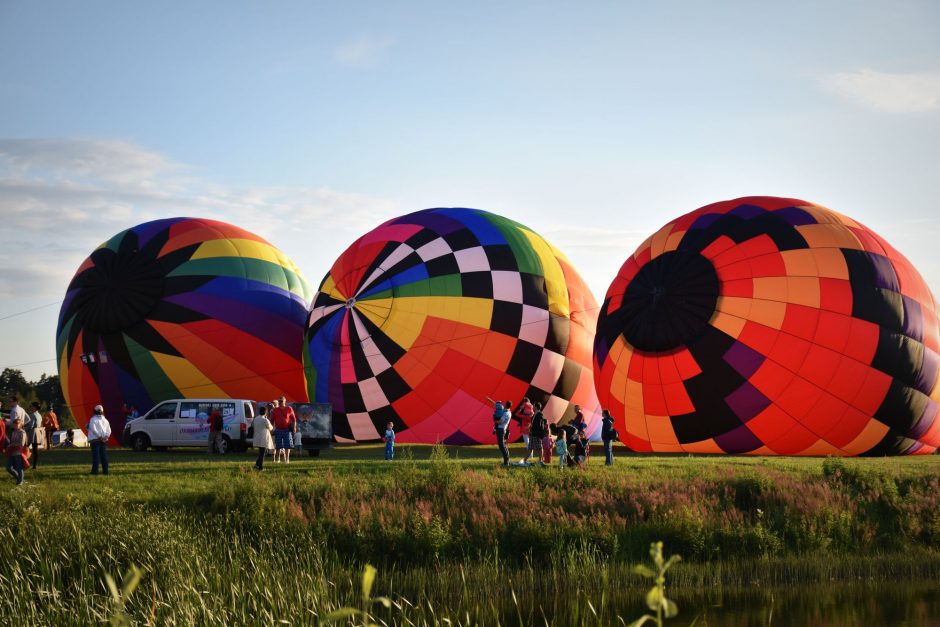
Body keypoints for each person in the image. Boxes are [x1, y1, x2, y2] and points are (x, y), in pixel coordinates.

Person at [87, 404, 111, 475]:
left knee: (96, 457)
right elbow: (109, 430)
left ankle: (95, 472)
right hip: (104, 441)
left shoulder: (93, 419)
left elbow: (93, 430)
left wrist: (99, 437)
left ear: (94, 411)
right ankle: (105, 471)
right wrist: (105, 437)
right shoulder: (106, 420)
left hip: (95, 441)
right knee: (104, 456)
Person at [272, 397, 296, 463]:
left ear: (285, 402)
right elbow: (272, 420)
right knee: (278, 445)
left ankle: (287, 459)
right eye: (279, 401)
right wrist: (271, 429)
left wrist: (294, 428)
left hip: (287, 429)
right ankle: (278, 459)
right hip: (278, 429)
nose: (280, 402)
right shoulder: (275, 410)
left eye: (281, 401)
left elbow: (294, 419)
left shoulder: (289, 408)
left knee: (287, 445)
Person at [5, 416, 28, 485]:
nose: (15, 425)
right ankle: (19, 478)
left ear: (20, 424)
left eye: (17, 424)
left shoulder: (22, 432)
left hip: (18, 452)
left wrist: (12, 445)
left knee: (19, 468)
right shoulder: (13, 432)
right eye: (14, 424)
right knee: (8, 468)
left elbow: (22, 443)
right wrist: (9, 445)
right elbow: (11, 441)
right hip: (12, 452)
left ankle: (20, 482)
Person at [251, 405, 274, 471]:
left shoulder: (256, 418)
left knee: (261, 453)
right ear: (265, 412)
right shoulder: (265, 420)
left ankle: (257, 465)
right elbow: (271, 428)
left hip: (257, 437)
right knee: (262, 454)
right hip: (263, 438)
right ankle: (260, 467)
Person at [494, 399, 512, 466]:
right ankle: (507, 460)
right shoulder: (508, 412)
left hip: (501, 429)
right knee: (503, 445)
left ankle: (506, 462)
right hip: (503, 429)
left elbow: (501, 421)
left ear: (505, 405)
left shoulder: (506, 413)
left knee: (501, 446)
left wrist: (495, 421)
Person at [26, 402, 43, 468]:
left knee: (25, 447)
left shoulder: (33, 415)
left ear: (35, 407)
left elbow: (31, 426)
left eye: (31, 406)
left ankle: (23, 462)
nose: (30, 407)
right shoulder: (39, 415)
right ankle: (34, 465)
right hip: (38, 431)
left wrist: (24, 430)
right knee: (35, 450)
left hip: (33, 432)